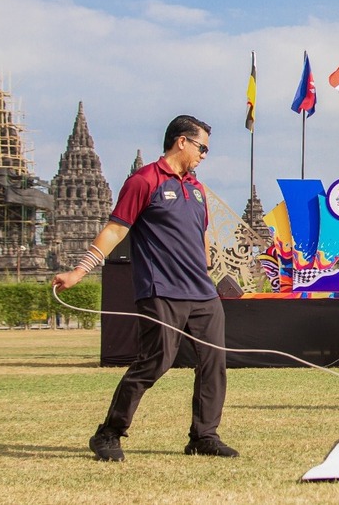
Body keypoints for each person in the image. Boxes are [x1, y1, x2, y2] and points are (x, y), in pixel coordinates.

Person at [53, 115, 239, 460]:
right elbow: (115, 230)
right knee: (156, 361)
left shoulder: (196, 190)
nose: (204, 155)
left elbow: (200, 234)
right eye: (202, 148)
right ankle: (109, 432)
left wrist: (206, 258)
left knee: (214, 362)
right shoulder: (144, 181)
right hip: (162, 290)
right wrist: (79, 271)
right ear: (181, 141)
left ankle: (203, 435)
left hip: (202, 293)